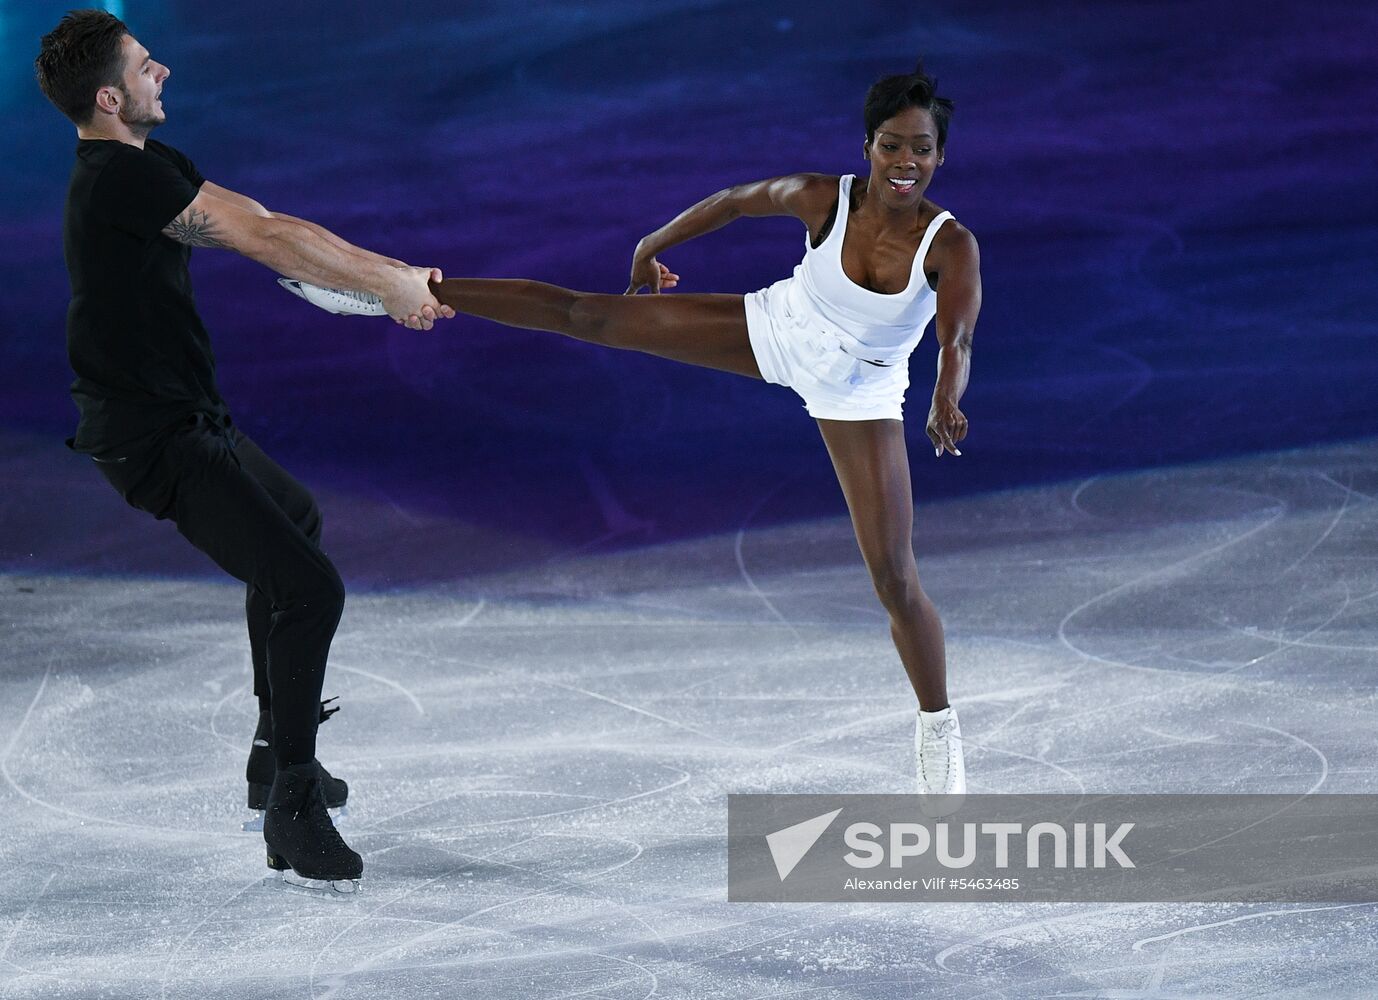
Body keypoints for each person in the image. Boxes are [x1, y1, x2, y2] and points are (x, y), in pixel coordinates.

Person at [293, 61, 980, 806]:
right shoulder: (823, 197)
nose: (904, 162)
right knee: (586, 314)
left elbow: (956, 340)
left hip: (862, 392)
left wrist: (945, 396)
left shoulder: (951, 246)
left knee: (894, 578)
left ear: (940, 156)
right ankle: (400, 288)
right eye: (890, 145)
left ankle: (937, 725)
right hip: (776, 331)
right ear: (867, 146)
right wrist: (653, 243)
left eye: (920, 148)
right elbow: (733, 202)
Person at [34, 9, 453, 892]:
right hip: (151, 436)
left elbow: (264, 218)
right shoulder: (113, 178)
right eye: (147, 68)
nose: (166, 73)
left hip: (188, 413)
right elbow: (262, 242)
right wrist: (387, 287)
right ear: (109, 97)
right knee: (309, 587)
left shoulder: (148, 165)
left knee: (294, 521)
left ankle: (272, 756)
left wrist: (394, 277)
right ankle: (293, 804)